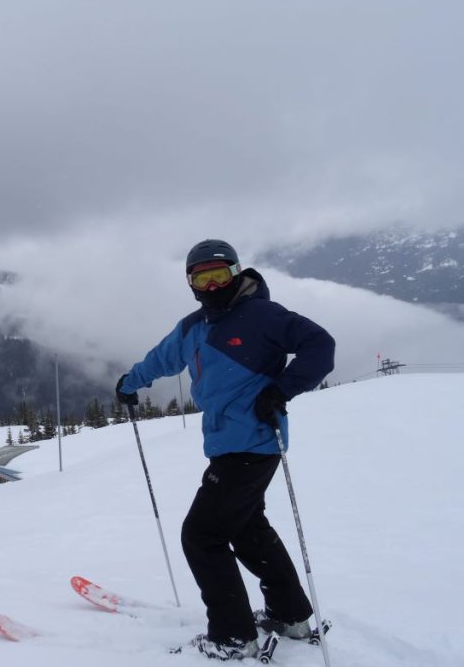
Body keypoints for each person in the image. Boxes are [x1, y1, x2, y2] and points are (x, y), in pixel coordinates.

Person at [116, 239, 335, 661]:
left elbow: (320, 346)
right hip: (228, 445)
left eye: (220, 274)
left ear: (236, 273)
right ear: (191, 283)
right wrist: (129, 383)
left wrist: (282, 389)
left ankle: (233, 637)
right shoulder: (193, 328)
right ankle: (291, 616)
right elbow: (160, 360)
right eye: (203, 277)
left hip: (253, 443)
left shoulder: (262, 316)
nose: (213, 285)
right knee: (247, 529)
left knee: (202, 536)